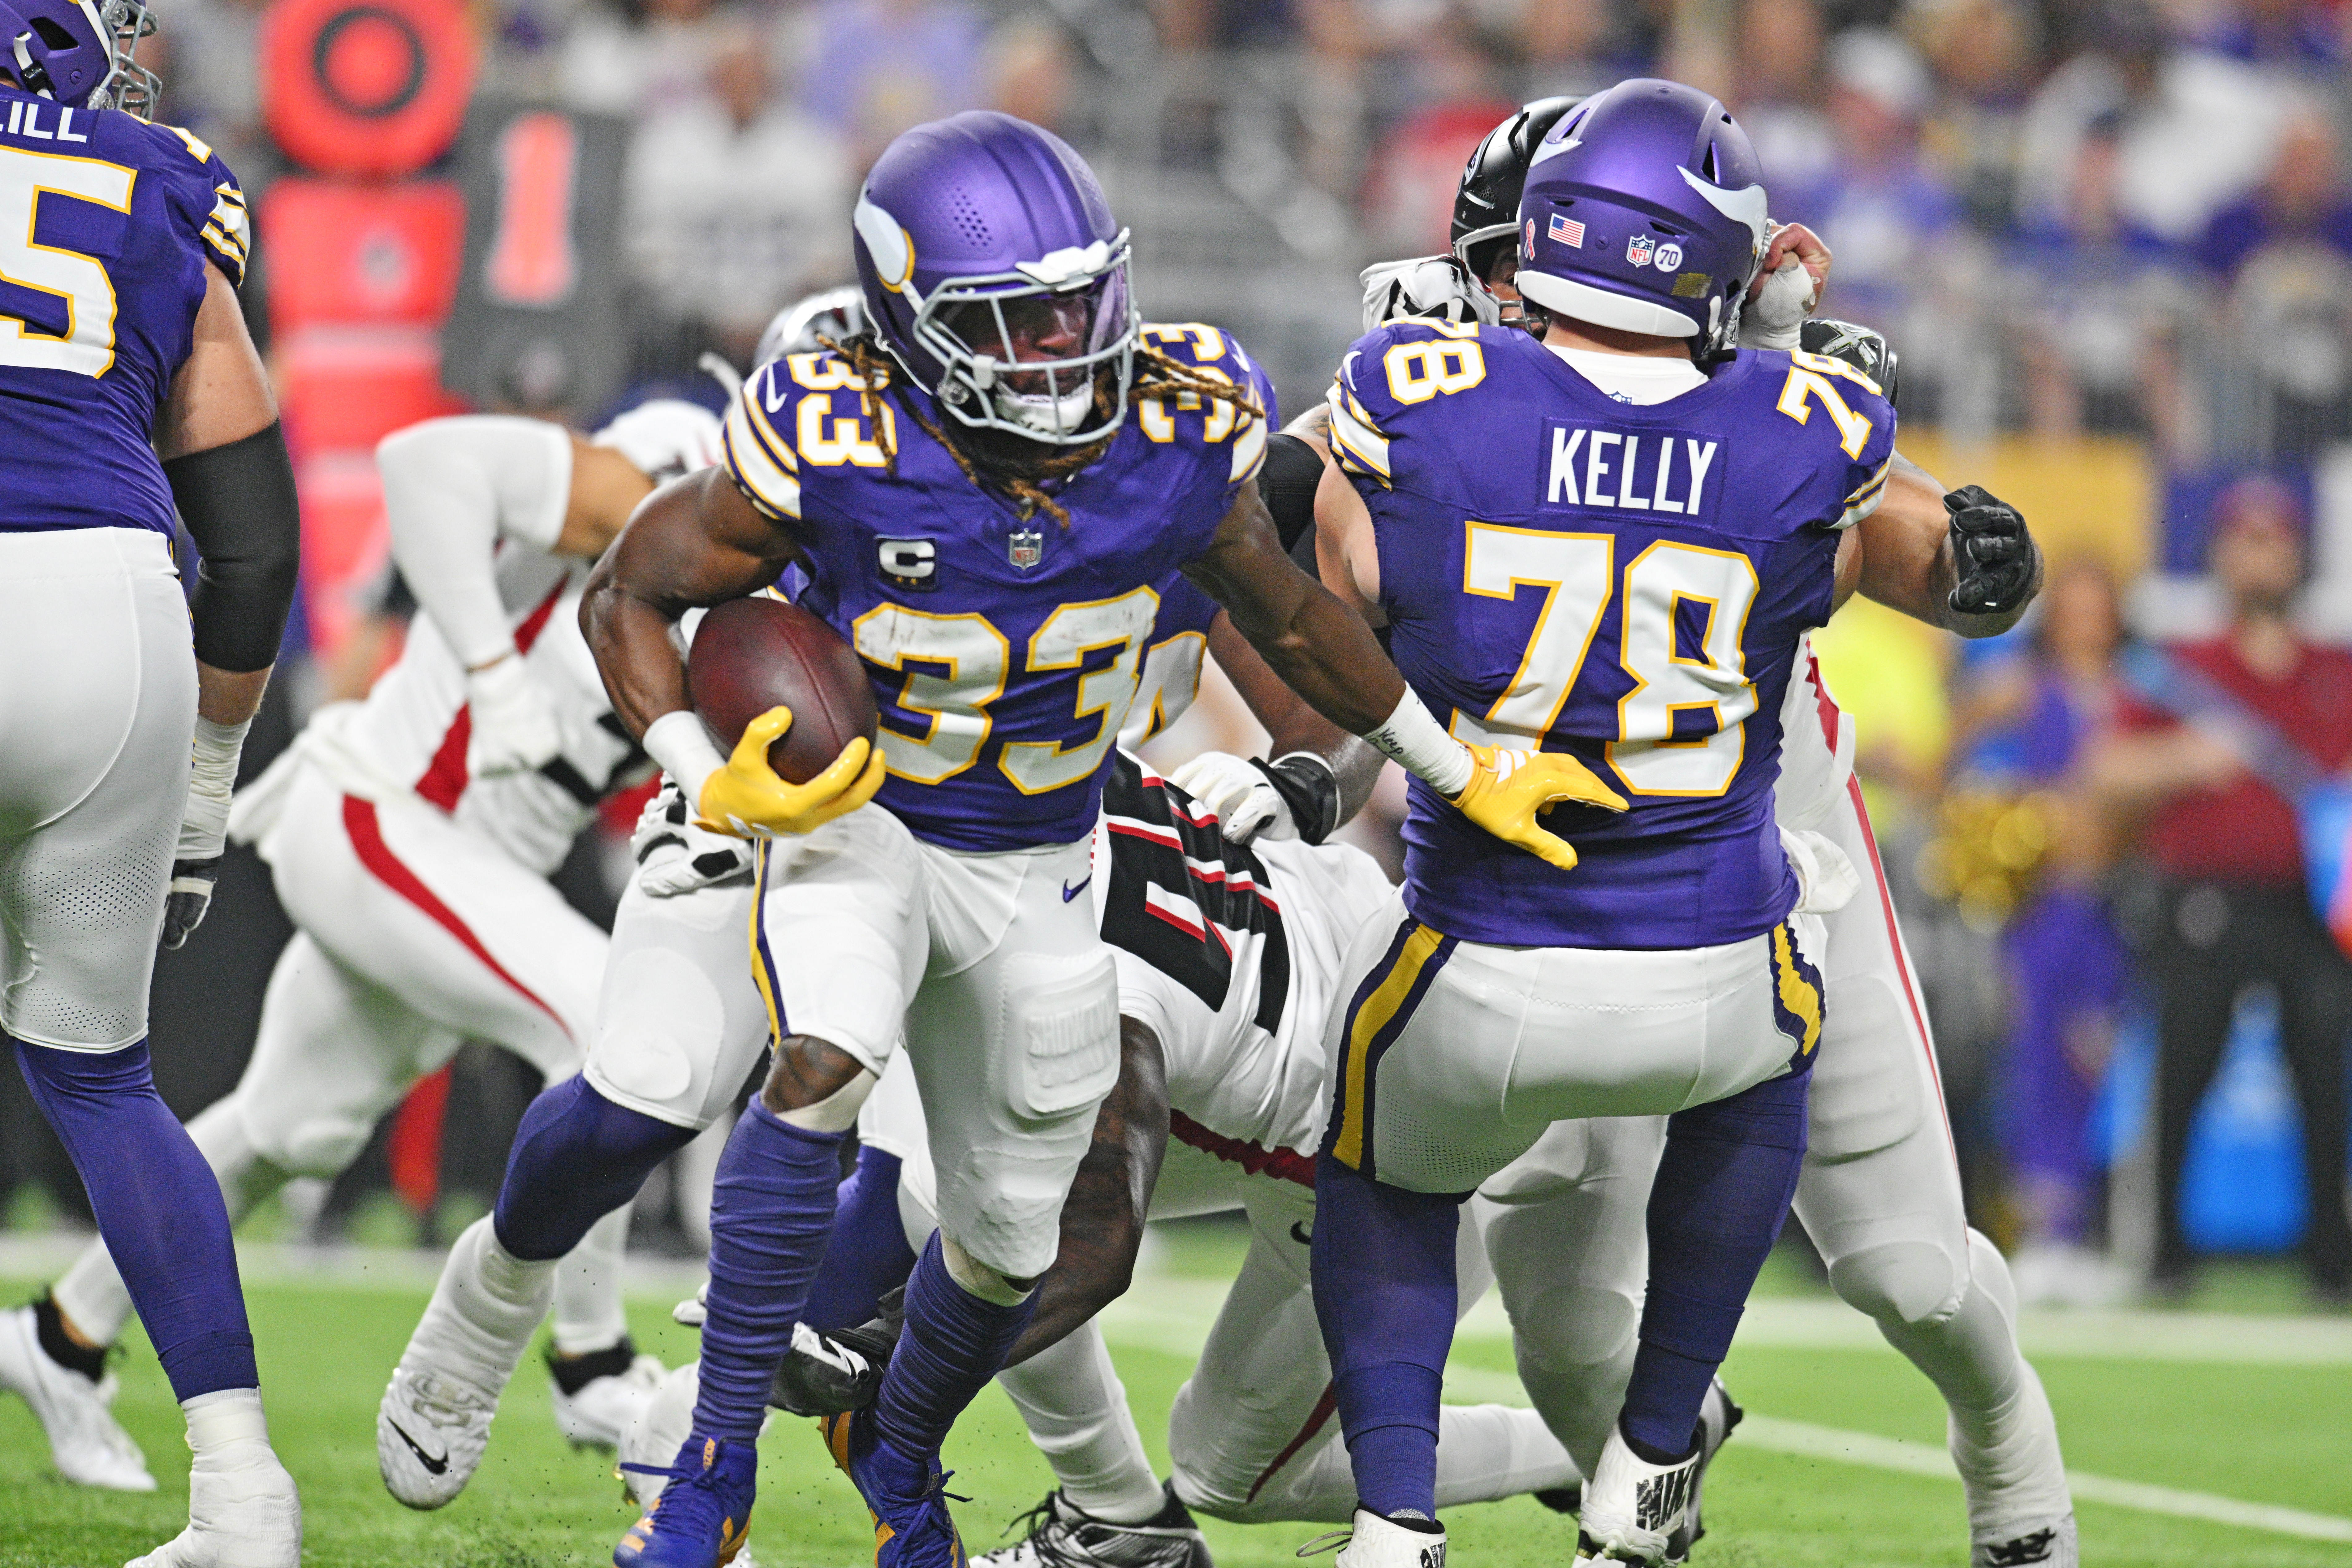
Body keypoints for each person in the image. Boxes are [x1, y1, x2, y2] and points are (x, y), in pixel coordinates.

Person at [380, 111, 1601, 1568]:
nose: (1062, 353)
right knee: (681, 1077)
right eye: (1015, 326)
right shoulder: (833, 429)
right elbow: (630, 594)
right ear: (910, 328)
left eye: (1082, 308)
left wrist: (1447, 769)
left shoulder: (1170, 432)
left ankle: (916, 1471)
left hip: (1036, 853)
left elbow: (1292, 625)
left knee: (1017, 1235)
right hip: (838, 812)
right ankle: (554, 1344)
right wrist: (702, 772)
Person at [1305, 79, 2044, 1568]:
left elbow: (1962, 578)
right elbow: (1276, 541)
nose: (1509, 296)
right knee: (1567, 1342)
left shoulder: (1750, 396)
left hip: (1767, 864)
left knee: (1902, 1267)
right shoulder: (1448, 394)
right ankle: (1642, 1489)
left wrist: (1756, 392)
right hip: (1568, 895)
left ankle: (2014, 1475)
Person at [625, 752, 1612, 1566]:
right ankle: (1119, 1522)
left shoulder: (1066, 975)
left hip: (1372, 1134)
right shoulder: (1016, 782)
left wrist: (884, 1366)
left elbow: (1090, 1240)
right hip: (1287, 994)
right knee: (963, 1193)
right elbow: (902, 1196)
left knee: (1235, 1467)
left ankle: (1596, 1449)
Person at [3, 398, 722, 1492]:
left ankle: (59, 1338)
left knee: (284, 1127)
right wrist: (492, 675)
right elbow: (423, 460)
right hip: (386, 815)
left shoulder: (782, 598)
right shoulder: (668, 485)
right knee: (610, 1025)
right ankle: (593, 1361)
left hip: (459, 874)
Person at [0, 2, 304, 1563]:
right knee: (104, 1079)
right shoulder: (167, 177)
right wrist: (203, 787)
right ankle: (243, 1496)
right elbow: (251, 548)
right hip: (109, 613)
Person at [2090, 479, 2352, 1304]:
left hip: (2308, 905)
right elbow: (2105, 771)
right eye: (2244, 537)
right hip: (2203, 897)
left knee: (2321, 1071)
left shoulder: (2333, 672)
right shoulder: (2181, 670)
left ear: (2298, 553)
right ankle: (2165, 1249)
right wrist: (2187, 760)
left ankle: (2329, 1259)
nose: (2260, 552)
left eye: (2274, 537)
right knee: (2183, 1067)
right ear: (2218, 553)